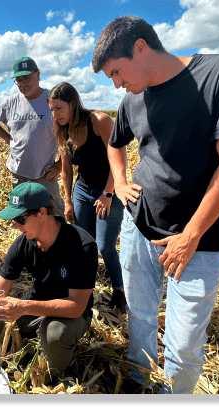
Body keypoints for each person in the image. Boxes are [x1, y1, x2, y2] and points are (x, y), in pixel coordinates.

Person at [92, 15, 219, 394]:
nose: (117, 83)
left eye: (117, 71)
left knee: (184, 347)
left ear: (140, 48)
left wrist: (191, 233)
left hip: (197, 242)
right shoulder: (132, 100)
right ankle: (138, 379)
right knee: (139, 316)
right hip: (138, 230)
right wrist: (119, 182)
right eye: (111, 78)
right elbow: (115, 143)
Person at [0, 182, 97, 383]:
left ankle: (54, 375)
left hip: (70, 313)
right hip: (36, 305)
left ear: (42, 213)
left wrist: (23, 306)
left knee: (54, 333)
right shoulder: (23, 244)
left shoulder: (81, 245)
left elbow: (76, 307)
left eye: (20, 219)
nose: (15, 225)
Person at [48, 82, 126, 312]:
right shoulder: (62, 128)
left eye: (59, 108)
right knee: (84, 244)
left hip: (109, 190)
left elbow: (118, 160)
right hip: (83, 191)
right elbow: (66, 168)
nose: (55, 114)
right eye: (52, 109)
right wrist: (69, 201)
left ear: (73, 104)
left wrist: (108, 193)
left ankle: (120, 290)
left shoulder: (100, 122)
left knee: (105, 246)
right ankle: (83, 292)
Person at [0, 57, 65, 218]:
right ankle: (29, 241)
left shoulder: (51, 100)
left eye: (27, 78)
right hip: (18, 172)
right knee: (23, 214)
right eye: (19, 80)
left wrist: (59, 165)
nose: (23, 84)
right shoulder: (11, 103)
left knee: (54, 213)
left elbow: (70, 135)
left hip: (45, 173)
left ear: (37, 75)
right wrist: (9, 140)